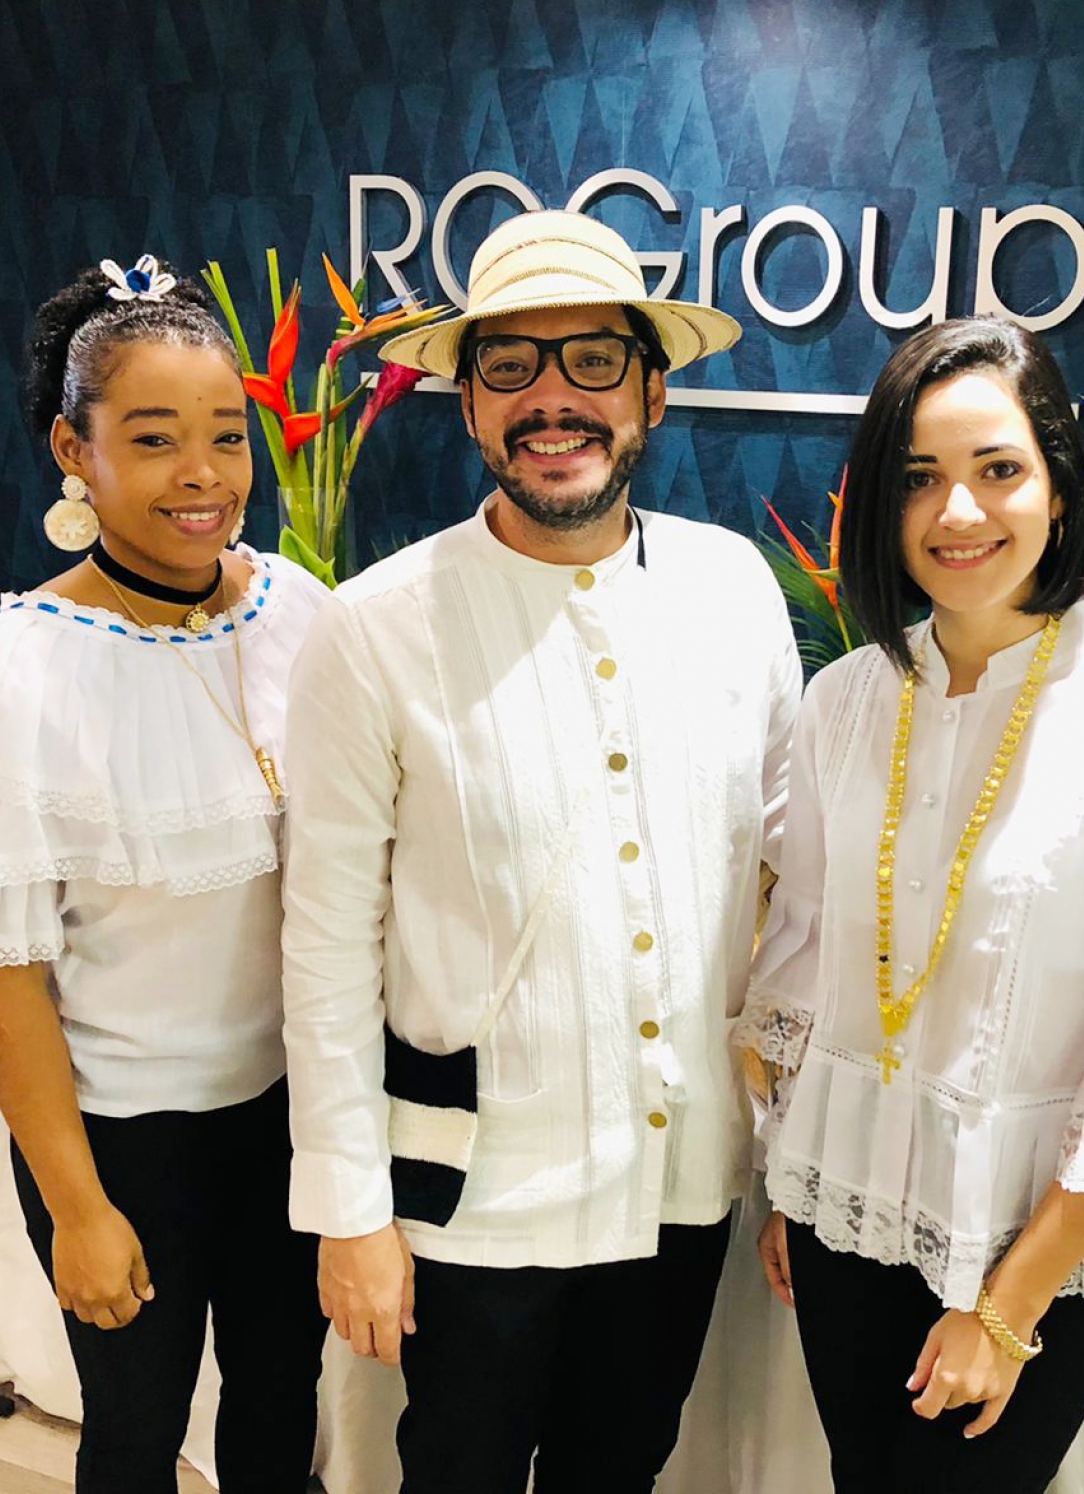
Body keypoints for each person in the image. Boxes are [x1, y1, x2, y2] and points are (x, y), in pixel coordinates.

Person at [280, 209, 802, 1492]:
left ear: (652, 393)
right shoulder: (372, 628)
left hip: (678, 1178)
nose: (552, 399)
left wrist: (799, 1153)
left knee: (618, 1468)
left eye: (594, 362)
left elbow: (794, 883)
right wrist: (348, 1209)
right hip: (475, 1196)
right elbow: (327, 941)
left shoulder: (734, 589)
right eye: (509, 365)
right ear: (467, 404)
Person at [736, 317, 1084, 1493]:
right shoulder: (842, 704)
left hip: (1030, 1251)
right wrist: (801, 1179)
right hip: (840, 1224)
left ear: (1059, 486)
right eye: (918, 478)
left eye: (998, 470)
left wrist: (1005, 1307)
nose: (958, 513)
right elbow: (808, 962)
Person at [0, 257, 329, 1493]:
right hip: (118, 1134)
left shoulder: (295, 612)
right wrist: (79, 1208)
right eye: (154, 439)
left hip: (291, 1112)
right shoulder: (10, 673)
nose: (203, 474)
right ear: (75, 449)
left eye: (226, 435)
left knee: (281, 1401)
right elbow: (0, 971)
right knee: (137, 1431)